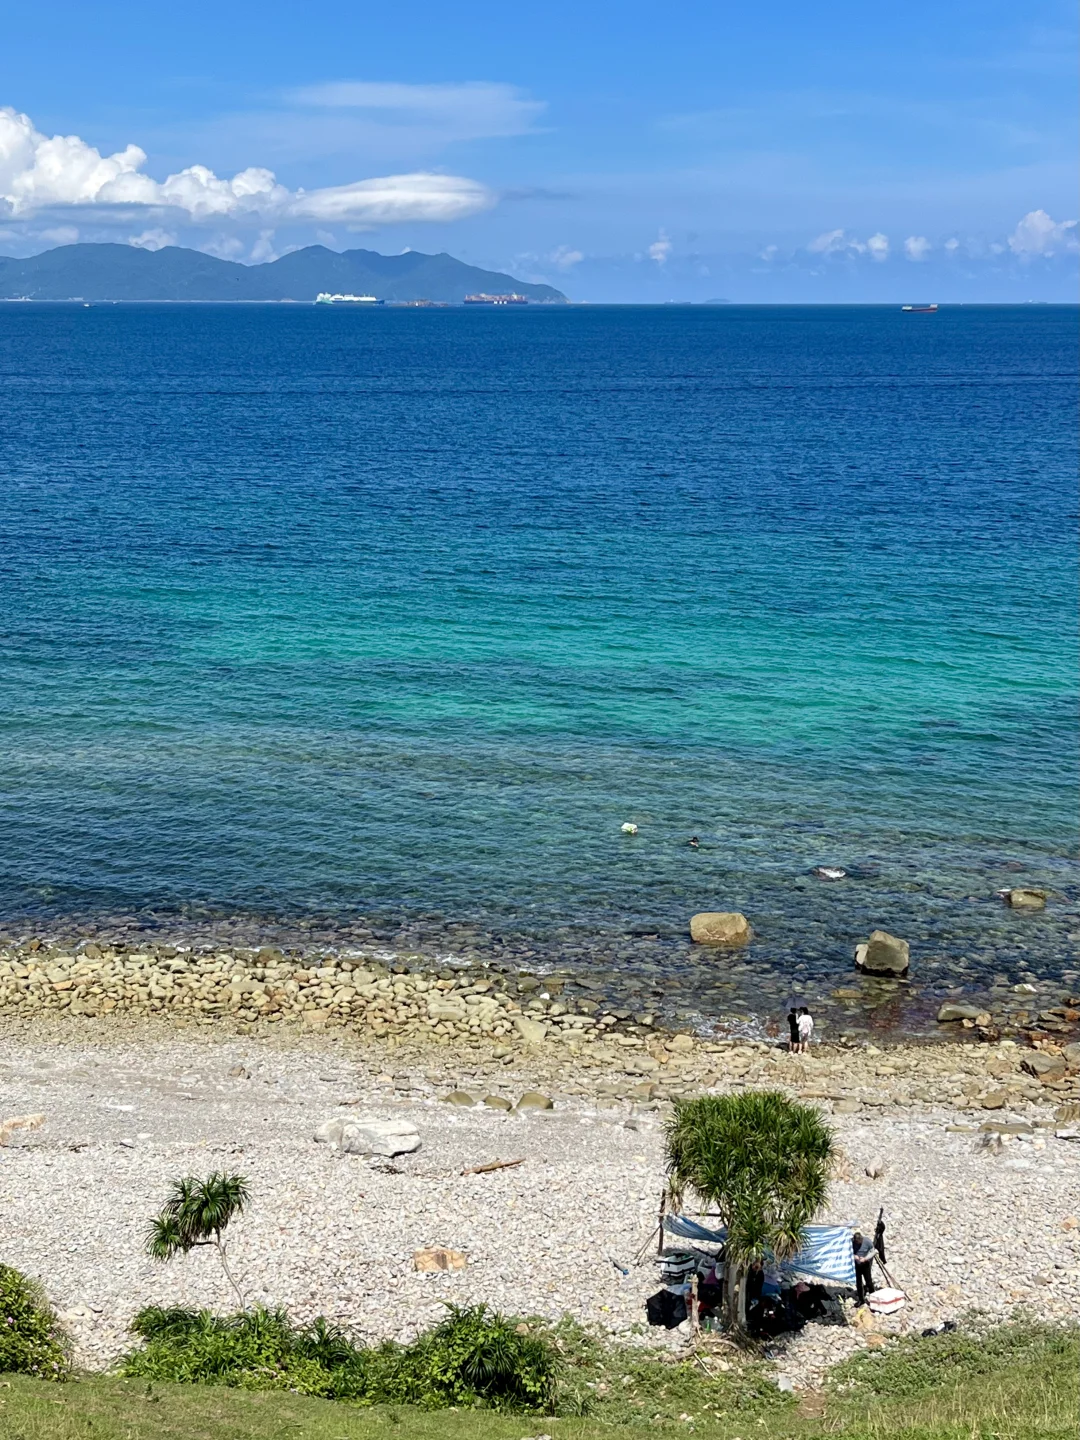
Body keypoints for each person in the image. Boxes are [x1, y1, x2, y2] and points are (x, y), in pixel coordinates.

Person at [852, 1230, 876, 1305]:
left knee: (868, 1281)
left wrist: (865, 1258)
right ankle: (861, 1299)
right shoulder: (852, 1242)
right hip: (857, 1264)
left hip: (865, 1264)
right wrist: (853, 1256)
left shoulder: (867, 1241)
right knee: (858, 1283)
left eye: (859, 1242)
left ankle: (874, 1298)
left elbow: (873, 1251)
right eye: (857, 1242)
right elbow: (848, 1251)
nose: (858, 1243)